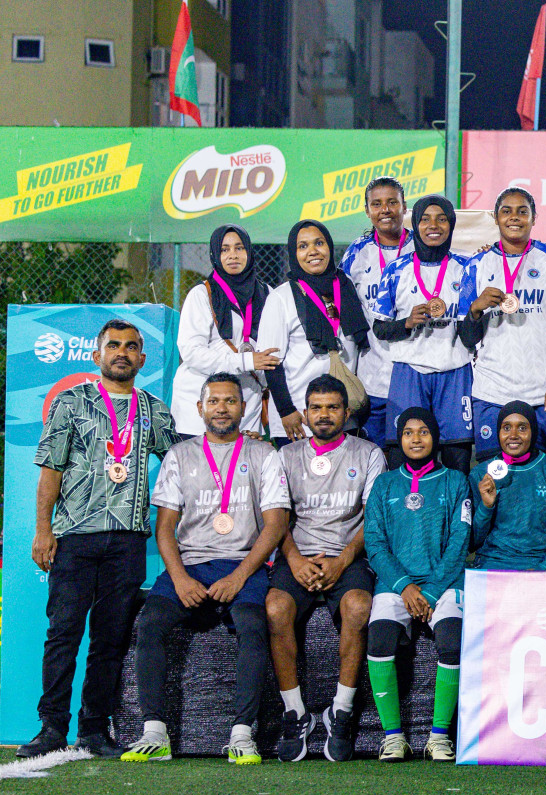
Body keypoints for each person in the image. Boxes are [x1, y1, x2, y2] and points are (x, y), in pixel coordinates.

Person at [18, 320, 179, 759]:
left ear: (142, 360)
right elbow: (50, 468)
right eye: (113, 346)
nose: (122, 353)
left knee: (109, 639)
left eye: (131, 347)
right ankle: (51, 726)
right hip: (74, 537)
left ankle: (94, 729)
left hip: (128, 541)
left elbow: (183, 461)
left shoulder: (154, 410)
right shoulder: (71, 403)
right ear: (97, 355)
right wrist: (42, 529)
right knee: (63, 634)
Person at [120, 374, 288, 764]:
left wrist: (241, 575)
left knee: (252, 625)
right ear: (200, 408)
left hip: (243, 565)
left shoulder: (263, 454)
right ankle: (154, 732)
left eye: (230, 401)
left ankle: (242, 734)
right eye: (214, 401)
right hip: (192, 564)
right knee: (151, 623)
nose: (222, 408)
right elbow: (164, 528)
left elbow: (276, 523)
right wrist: (179, 578)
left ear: (242, 408)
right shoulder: (181, 456)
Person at [265, 375, 385, 763]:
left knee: (358, 608)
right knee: (275, 609)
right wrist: (296, 561)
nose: (324, 414)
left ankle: (342, 711)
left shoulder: (368, 454)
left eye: (332, 407)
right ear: (304, 412)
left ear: (346, 413)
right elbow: (276, 518)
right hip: (297, 555)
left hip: (347, 556)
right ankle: (295, 713)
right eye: (316, 407)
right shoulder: (285, 456)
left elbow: (374, 518)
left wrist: (343, 560)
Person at [363, 408, 472, 763]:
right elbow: (375, 543)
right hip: (397, 584)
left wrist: (429, 592)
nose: (416, 438)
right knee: (379, 640)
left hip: (444, 583)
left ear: (435, 437)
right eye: (408, 432)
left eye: (424, 431)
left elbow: (460, 540)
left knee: (452, 642)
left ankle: (438, 737)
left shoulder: (455, 481)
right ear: (399, 438)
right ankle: (393, 737)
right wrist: (405, 587)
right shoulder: (384, 484)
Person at [462, 186, 546, 459]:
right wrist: (476, 309)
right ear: (495, 217)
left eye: (522, 211)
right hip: (493, 391)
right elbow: (467, 338)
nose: (514, 217)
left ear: (534, 218)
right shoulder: (476, 265)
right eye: (506, 211)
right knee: (493, 476)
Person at [374, 195, 476, 472]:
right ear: (415, 224)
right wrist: (406, 322)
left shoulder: (469, 268)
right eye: (425, 219)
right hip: (409, 372)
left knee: (457, 457)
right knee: (404, 455)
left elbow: (473, 327)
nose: (434, 225)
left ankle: (457, 513)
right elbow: (380, 328)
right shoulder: (396, 270)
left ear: (451, 225)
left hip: (455, 370)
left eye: (442, 219)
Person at [258, 219, 372, 444]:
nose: (312, 251)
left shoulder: (346, 287)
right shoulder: (281, 298)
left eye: (319, 243)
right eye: (303, 246)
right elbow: (270, 363)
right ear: (294, 252)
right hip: (299, 420)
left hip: (343, 418)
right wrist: (285, 411)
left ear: (329, 246)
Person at [172, 224, 274, 436]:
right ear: (215, 255)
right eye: (224, 249)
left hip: (246, 406)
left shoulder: (268, 294)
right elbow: (191, 352)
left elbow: (274, 349)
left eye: (239, 248)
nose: (233, 255)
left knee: (242, 467)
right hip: (199, 411)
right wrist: (245, 361)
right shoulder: (201, 295)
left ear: (249, 251)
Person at [340, 176, 413, 444]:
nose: (385, 210)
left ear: (405, 207)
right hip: (372, 376)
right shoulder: (356, 254)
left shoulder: (422, 250)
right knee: (373, 454)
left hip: (413, 376)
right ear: (367, 210)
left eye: (392, 202)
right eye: (377, 204)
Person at [470, 401, 546, 572]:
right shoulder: (481, 474)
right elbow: (472, 541)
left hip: (540, 564)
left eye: (522, 428)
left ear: (533, 431)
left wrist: (544, 569)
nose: (513, 435)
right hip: (492, 564)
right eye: (506, 428)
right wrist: (486, 506)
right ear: (498, 432)